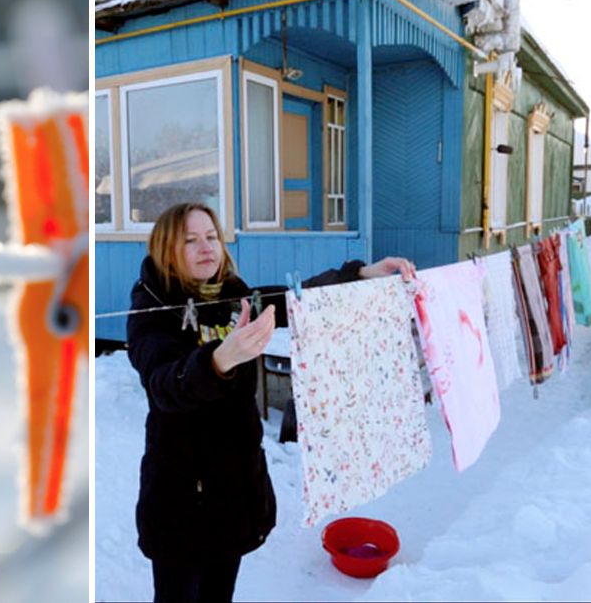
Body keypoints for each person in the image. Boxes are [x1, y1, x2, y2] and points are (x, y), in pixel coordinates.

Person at [126, 202, 415, 602]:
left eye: (211, 237)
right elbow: (163, 384)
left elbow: (294, 299)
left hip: (233, 489)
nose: (206, 247)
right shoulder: (151, 309)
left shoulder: (232, 296)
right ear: (165, 248)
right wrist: (219, 359)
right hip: (181, 499)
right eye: (190, 240)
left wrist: (361, 275)